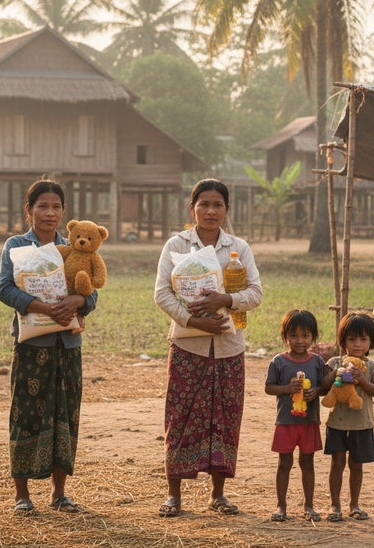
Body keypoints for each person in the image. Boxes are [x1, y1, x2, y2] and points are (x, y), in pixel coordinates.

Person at [154, 178, 263, 518]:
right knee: (180, 416)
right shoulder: (176, 245)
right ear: (192, 208)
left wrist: (226, 299)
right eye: (204, 204)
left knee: (225, 419)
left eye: (218, 205)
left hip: (229, 348)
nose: (211, 211)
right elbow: (162, 293)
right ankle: (174, 495)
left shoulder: (238, 248)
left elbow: (256, 293)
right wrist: (194, 321)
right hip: (189, 347)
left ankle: (218, 494)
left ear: (227, 210)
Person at [0, 179, 98, 513]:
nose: (49, 212)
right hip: (31, 344)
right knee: (25, 414)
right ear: (29, 210)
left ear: (63, 212)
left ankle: (59, 493)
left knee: (65, 416)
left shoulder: (75, 247)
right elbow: (5, 290)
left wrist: (78, 299)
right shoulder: (15, 245)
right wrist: (43, 307)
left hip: (67, 344)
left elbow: (93, 292)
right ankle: (22, 495)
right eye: (42, 206)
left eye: (56, 207)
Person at [320, 312, 374, 522]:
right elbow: (324, 386)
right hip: (337, 423)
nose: (358, 344)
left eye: (363, 339)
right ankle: (334, 505)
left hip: (362, 424)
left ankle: (354, 504)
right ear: (343, 341)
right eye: (352, 339)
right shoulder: (336, 361)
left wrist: (361, 379)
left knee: (356, 465)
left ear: (371, 342)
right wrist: (336, 372)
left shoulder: (373, 366)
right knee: (337, 463)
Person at [264, 310, 325, 523]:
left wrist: (315, 391)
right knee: (284, 463)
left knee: (307, 463)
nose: (299, 341)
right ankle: (281, 506)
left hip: (309, 422)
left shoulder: (317, 361)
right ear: (285, 336)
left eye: (305, 335)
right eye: (293, 335)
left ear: (313, 337)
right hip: (286, 422)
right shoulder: (279, 361)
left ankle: (309, 506)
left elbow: (324, 387)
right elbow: (269, 388)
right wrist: (287, 388)